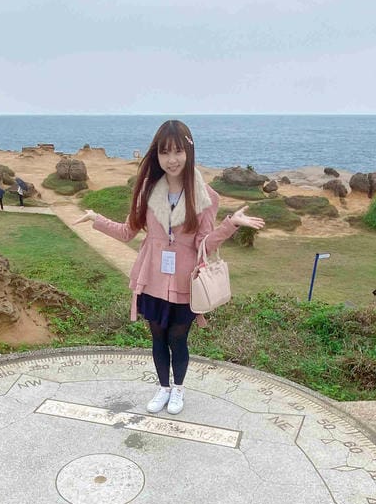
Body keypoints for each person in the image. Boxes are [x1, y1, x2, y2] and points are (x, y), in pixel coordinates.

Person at [77, 119, 264, 416]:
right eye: (164, 152)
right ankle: (163, 388)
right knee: (157, 338)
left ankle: (178, 388)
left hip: (184, 282)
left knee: (178, 339)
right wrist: (95, 219)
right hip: (152, 278)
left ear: (189, 153)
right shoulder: (147, 190)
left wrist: (231, 225)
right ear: (157, 155)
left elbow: (204, 244)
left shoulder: (205, 196)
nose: (172, 159)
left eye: (178, 151)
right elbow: (127, 232)